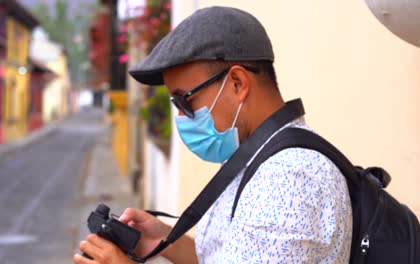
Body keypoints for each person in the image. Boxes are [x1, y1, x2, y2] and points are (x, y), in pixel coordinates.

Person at [74, 6, 352, 264]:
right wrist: (163, 241)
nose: (181, 117)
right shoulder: (257, 158)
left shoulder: (288, 179)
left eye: (185, 101)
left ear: (237, 83)